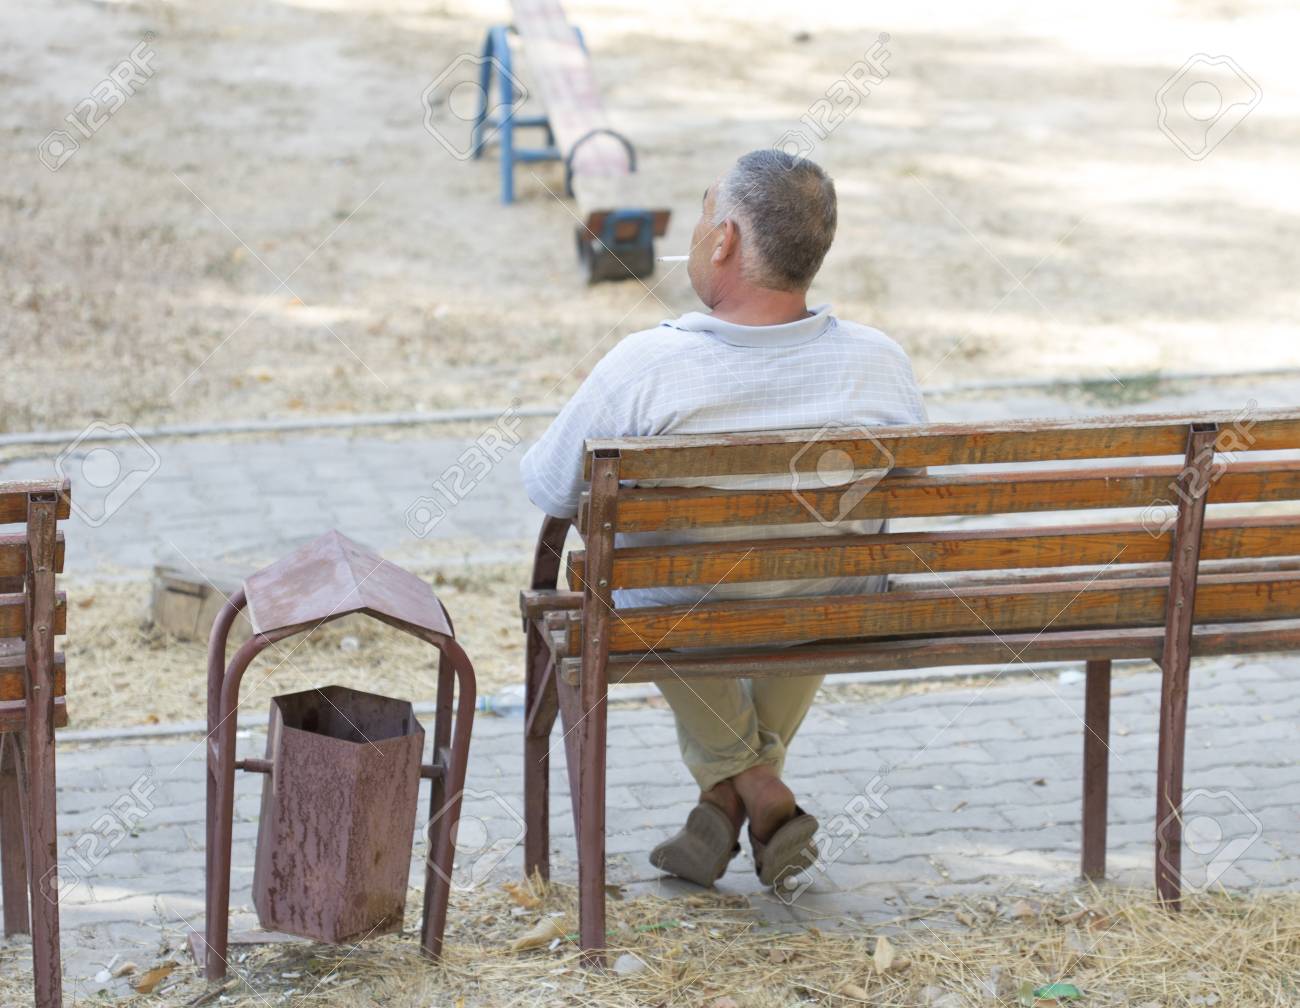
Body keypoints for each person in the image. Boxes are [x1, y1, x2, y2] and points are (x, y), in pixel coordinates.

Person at [519, 148, 927, 888]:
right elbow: (912, 490)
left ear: (725, 240)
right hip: (825, 612)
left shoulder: (646, 367)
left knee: (637, 584)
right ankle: (747, 793)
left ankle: (745, 791)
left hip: (680, 615)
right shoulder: (880, 364)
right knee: (820, 575)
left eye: (706, 215)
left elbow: (550, 489)